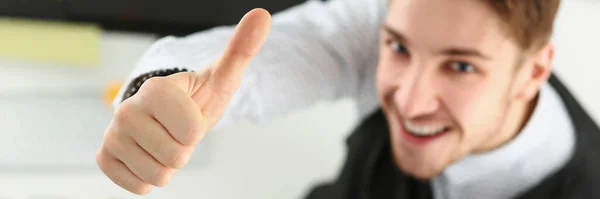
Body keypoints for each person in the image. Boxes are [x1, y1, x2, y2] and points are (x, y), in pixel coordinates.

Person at [96, 0, 600, 198]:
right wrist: (163, 90)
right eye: (398, 48)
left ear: (533, 71)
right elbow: (288, 54)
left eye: (461, 66)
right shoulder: (390, 21)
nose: (410, 99)